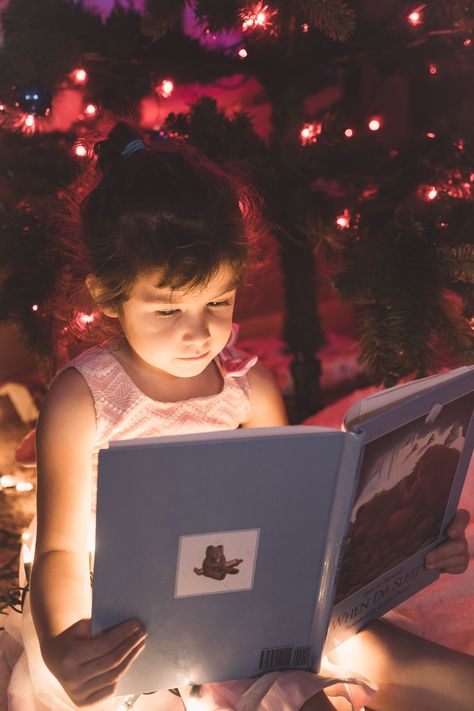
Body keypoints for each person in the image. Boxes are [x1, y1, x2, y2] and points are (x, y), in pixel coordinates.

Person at [5, 122, 472, 711]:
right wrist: (64, 643)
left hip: (247, 598)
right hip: (132, 622)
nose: (199, 332)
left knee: (394, 663)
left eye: (218, 301)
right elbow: (61, 551)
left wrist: (413, 538)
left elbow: (295, 526)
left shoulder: (250, 387)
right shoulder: (83, 398)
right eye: (168, 308)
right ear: (107, 296)